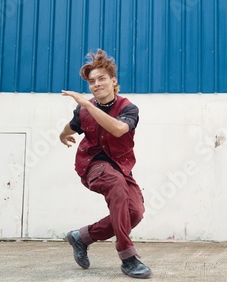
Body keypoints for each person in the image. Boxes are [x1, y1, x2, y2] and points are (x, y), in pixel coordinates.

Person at [59, 49, 152, 278]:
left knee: (135, 213)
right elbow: (71, 126)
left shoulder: (129, 108)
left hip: (120, 165)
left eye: (101, 79)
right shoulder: (82, 110)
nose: (96, 84)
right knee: (116, 185)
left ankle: (82, 237)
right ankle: (128, 257)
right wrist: (62, 135)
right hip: (92, 165)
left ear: (113, 81)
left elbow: (119, 129)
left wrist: (88, 105)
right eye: (92, 81)